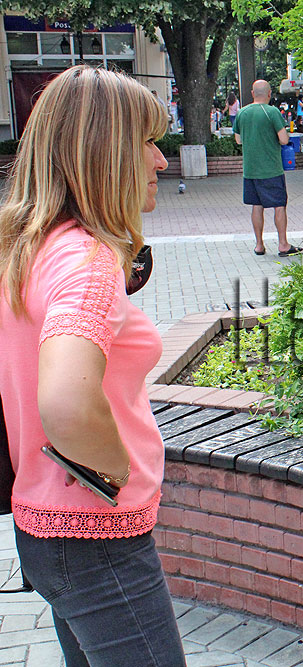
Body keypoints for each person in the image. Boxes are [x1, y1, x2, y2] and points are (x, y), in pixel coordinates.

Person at [0, 65, 185, 666]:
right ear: (103, 152)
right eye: (147, 142)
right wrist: (116, 474)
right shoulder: (87, 260)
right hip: (95, 532)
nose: (160, 160)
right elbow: (67, 402)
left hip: (44, 521)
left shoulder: (31, 245)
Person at [233, 80, 302, 257]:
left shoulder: (242, 113)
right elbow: (284, 140)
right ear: (269, 94)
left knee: (257, 206)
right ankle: (283, 244)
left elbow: (238, 140)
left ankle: (259, 245)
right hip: (271, 169)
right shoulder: (272, 112)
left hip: (250, 170)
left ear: (252, 93)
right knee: (279, 205)